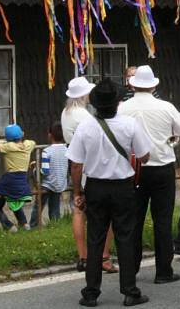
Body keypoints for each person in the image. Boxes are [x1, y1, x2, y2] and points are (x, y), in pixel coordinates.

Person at [68, 79, 152, 307]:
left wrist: (78, 191)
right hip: (123, 186)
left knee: (95, 238)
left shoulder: (86, 127)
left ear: (95, 104)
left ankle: (91, 292)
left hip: (95, 185)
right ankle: (129, 290)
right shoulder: (130, 124)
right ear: (117, 103)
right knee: (125, 236)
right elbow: (144, 155)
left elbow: (76, 163)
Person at [118, 65, 180, 283]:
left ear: (132, 84)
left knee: (134, 220)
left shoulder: (123, 108)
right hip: (163, 166)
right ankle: (163, 271)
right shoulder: (166, 107)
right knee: (163, 220)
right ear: (154, 85)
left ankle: (131, 268)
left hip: (134, 168)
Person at [63, 76, 117, 274]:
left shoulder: (66, 113)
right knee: (104, 212)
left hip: (74, 161)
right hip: (89, 164)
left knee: (78, 211)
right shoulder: (84, 116)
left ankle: (83, 256)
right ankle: (103, 255)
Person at [0, 124, 35, 231]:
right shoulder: (29, 145)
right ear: (22, 134)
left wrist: (3, 144)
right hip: (22, 179)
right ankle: (24, 224)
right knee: (14, 199)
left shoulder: (8, 147)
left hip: (10, 179)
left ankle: (9, 226)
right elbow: (32, 142)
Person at [30, 123, 68, 227]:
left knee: (38, 205)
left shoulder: (47, 151)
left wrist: (35, 170)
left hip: (47, 184)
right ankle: (55, 224)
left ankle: (33, 226)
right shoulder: (66, 149)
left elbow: (45, 171)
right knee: (55, 207)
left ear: (50, 135)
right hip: (60, 183)